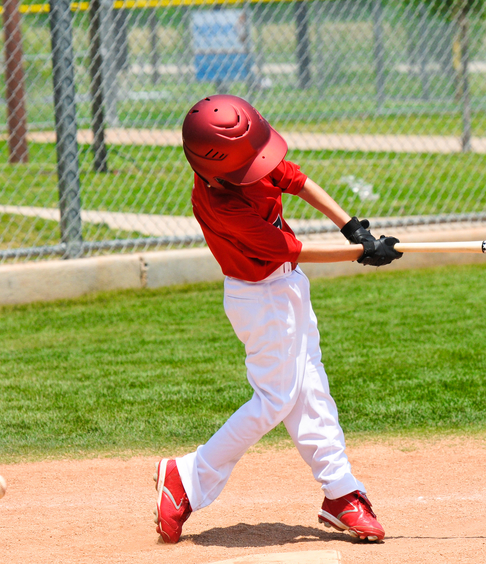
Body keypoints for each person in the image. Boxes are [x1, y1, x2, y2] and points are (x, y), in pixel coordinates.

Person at [153, 94, 402, 545]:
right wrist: (362, 254)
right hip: (257, 298)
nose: (262, 166)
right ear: (218, 167)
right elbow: (292, 248)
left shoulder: (247, 161)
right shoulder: (219, 205)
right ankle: (186, 476)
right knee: (276, 399)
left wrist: (354, 228)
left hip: (288, 287)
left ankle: (341, 493)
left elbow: (298, 180)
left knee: (312, 386)